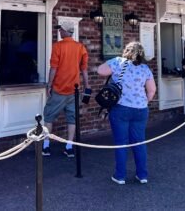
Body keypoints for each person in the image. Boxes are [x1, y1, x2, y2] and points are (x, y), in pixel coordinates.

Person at [97, 41, 156, 185]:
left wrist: (113, 63)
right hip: (141, 109)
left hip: (121, 108)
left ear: (126, 51)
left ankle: (120, 176)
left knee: (121, 143)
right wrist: (144, 102)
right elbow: (152, 90)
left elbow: (100, 71)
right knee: (139, 142)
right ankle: (142, 175)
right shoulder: (145, 69)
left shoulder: (118, 62)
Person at [42, 21, 89, 158]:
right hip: (74, 90)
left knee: (49, 117)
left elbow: (54, 68)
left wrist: (49, 84)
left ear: (66, 31)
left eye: (60, 29)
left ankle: (46, 147)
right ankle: (69, 147)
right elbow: (84, 69)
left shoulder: (57, 46)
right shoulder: (80, 47)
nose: (59, 32)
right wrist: (87, 86)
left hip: (59, 88)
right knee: (72, 119)